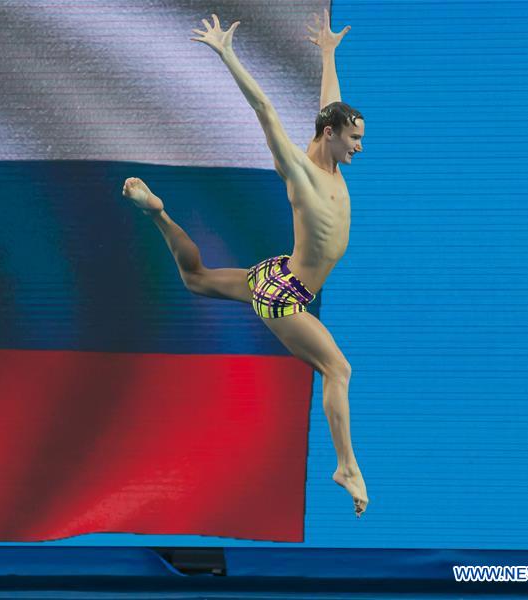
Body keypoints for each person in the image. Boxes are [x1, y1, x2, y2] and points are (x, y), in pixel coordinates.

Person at [122, 10, 368, 517]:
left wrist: (327, 54)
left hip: (278, 274)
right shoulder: (300, 171)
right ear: (331, 135)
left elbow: (329, 103)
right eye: (354, 138)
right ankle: (346, 466)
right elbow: (264, 108)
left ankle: (158, 213)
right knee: (337, 369)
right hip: (285, 296)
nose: (359, 147)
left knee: (197, 279)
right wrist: (228, 55)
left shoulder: (326, 145)